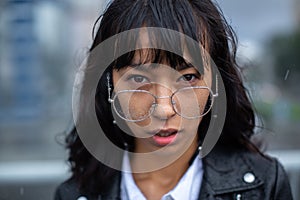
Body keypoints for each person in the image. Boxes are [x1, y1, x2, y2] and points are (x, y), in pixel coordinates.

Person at [55, 0, 293, 199]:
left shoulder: (263, 187)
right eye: (138, 79)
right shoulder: (73, 195)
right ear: (110, 84)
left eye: (188, 77)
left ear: (215, 82)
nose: (164, 109)